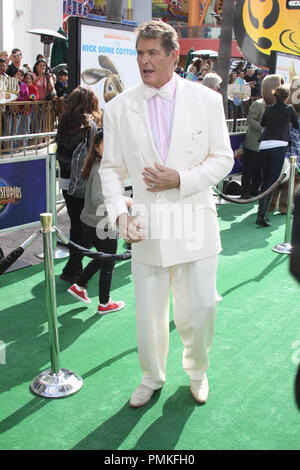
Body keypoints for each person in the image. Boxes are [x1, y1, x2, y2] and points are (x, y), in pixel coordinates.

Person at [100, 20, 234, 408]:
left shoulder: (207, 101)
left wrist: (181, 178)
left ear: (174, 55)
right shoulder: (118, 108)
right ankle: (151, 376)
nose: (143, 61)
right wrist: (119, 216)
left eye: (152, 52)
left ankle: (197, 371)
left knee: (202, 309)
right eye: (139, 53)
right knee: (149, 315)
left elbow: (223, 158)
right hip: (147, 227)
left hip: (195, 222)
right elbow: (111, 169)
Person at [67, 127, 126, 314]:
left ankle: (79, 286)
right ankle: (104, 303)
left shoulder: (96, 165)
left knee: (102, 257)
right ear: (97, 148)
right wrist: (123, 200)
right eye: (105, 145)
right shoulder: (102, 169)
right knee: (108, 261)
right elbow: (98, 198)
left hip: (91, 221)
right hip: (101, 223)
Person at [56, 86, 101, 284]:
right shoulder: (89, 124)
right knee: (88, 228)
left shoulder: (64, 121)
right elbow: (96, 153)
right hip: (84, 182)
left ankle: (73, 267)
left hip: (67, 182)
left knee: (76, 224)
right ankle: (73, 265)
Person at [256, 86, 299, 227]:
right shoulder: (288, 109)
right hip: (278, 146)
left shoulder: (269, 109)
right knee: (271, 181)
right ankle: (261, 216)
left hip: (263, 145)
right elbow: (296, 125)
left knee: (265, 180)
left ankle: (261, 213)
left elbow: (263, 124)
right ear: (286, 98)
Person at [240, 73, 283, 199]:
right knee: (249, 168)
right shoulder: (258, 104)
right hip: (253, 143)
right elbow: (250, 120)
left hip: (266, 144)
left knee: (259, 170)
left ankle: (255, 189)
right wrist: (263, 128)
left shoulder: (277, 106)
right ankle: (245, 191)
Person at [269, 76, 300, 214]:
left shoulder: (284, 109)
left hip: (281, 150)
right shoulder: (289, 111)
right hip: (293, 152)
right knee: (291, 181)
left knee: (277, 179)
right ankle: (284, 206)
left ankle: (271, 204)